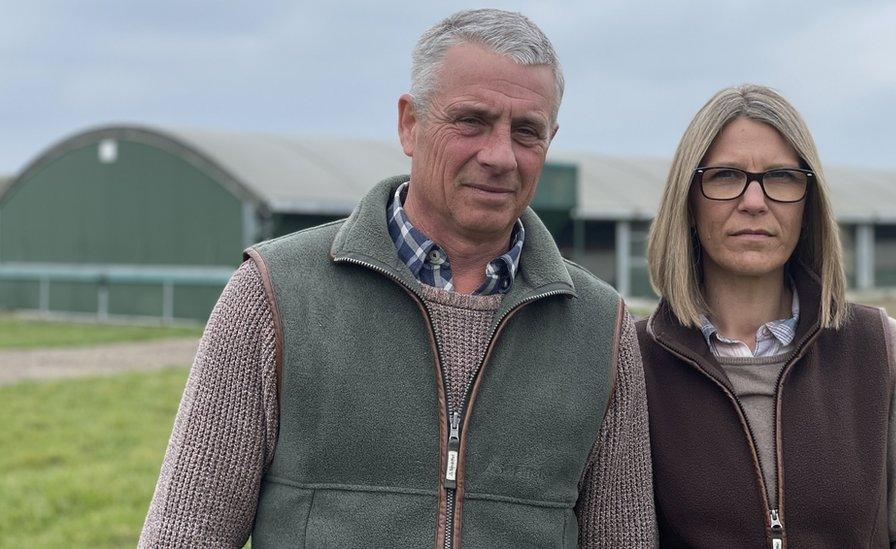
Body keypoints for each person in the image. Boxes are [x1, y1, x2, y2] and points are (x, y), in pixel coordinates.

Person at [139, 9, 657, 548]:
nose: (500, 155)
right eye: (472, 121)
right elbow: (186, 533)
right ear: (410, 123)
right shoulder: (275, 295)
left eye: (527, 132)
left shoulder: (601, 328)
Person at [637, 83, 896, 547]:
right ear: (688, 201)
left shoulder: (880, 348)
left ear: (808, 203)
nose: (754, 202)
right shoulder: (633, 363)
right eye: (726, 176)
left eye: (781, 177)